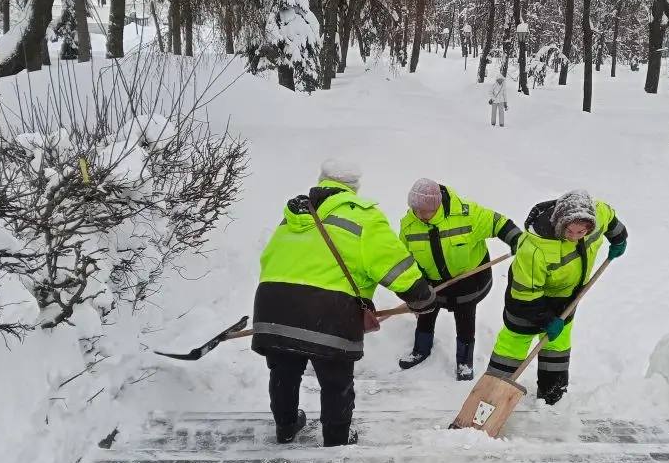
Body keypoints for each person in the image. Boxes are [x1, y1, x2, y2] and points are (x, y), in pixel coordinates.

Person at [252, 160, 436, 446]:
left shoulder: (295, 214)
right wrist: (422, 298)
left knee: (284, 370)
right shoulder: (363, 216)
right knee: (335, 378)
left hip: (273, 303)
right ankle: (336, 438)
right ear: (354, 187)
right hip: (329, 310)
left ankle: (285, 427)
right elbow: (394, 266)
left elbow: (269, 259)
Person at [485, 190, 627, 405]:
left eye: (581, 232)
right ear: (560, 223)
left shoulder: (596, 216)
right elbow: (525, 297)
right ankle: (489, 396)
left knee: (557, 346)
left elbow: (609, 217)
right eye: (569, 231)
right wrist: (546, 319)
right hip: (527, 302)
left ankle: (552, 395)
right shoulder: (534, 248)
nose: (575, 236)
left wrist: (619, 238)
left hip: (565, 300)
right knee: (513, 345)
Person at [398, 179, 522, 380]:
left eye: (424, 211)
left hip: (469, 281)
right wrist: (417, 285)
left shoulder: (466, 214)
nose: (418, 214)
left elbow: (498, 223)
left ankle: (464, 363)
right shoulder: (409, 225)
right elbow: (406, 257)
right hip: (433, 283)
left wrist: (516, 239)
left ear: (437, 205)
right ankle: (421, 349)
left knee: (465, 320)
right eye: (415, 209)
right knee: (426, 314)